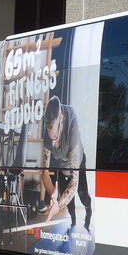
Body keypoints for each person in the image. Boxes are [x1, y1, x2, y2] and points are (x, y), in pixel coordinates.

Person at [41, 96, 93, 230]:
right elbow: (44, 173)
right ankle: (74, 221)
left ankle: (88, 210)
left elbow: (74, 181)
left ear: (62, 121)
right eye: (50, 139)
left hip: (77, 162)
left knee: (82, 194)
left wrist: (58, 206)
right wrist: (53, 195)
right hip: (61, 164)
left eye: (56, 138)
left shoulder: (72, 123)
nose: (53, 145)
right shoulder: (48, 125)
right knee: (67, 200)